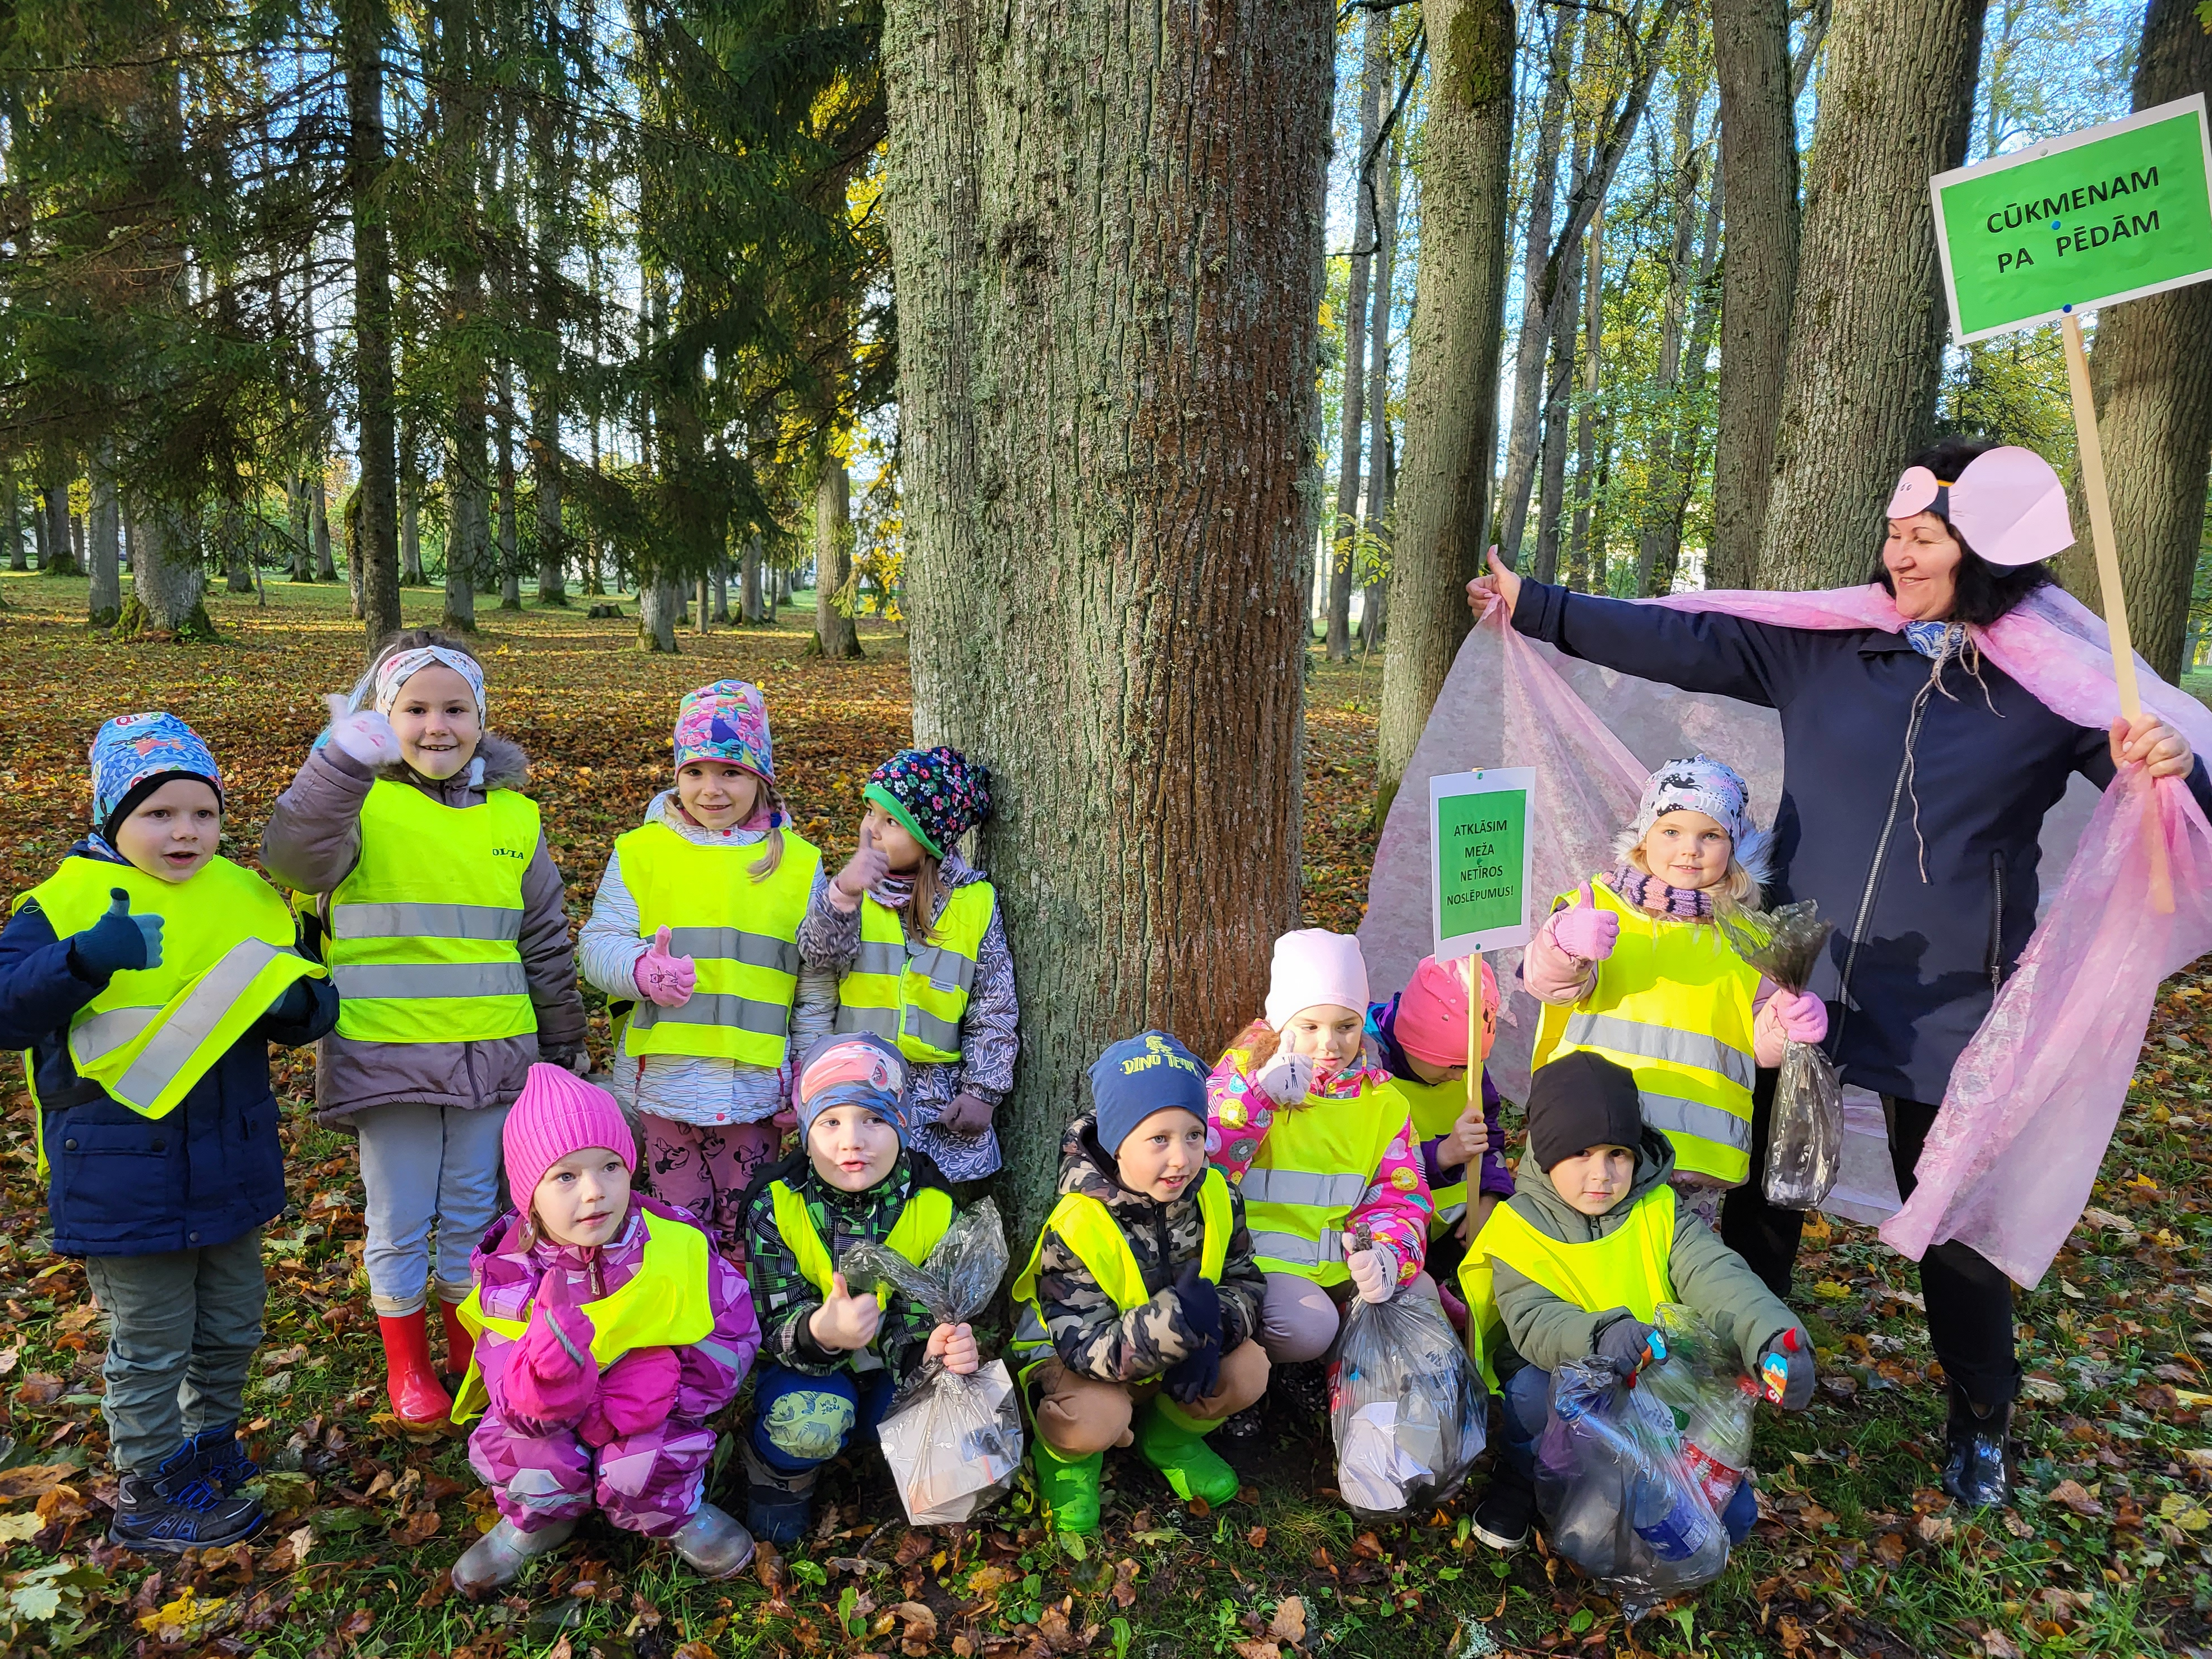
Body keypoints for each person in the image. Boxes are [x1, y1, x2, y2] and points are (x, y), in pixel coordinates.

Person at [1470, 436, 2211, 1507]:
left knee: (1945, 1206)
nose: (1896, 555)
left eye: (1923, 540)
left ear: (1988, 555)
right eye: (1894, 534)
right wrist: (1537, 602)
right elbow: (1689, 636)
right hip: (1789, 975)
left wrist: (2168, 764)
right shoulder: (1832, 651)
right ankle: (1745, 1372)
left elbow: (2172, 794)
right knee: (1768, 1194)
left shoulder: (2057, 690)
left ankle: (1981, 1414)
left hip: (1946, 998)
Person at [0, 714, 337, 1550]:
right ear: (113, 816)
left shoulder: (249, 895)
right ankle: (148, 1488)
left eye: (203, 813)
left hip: (231, 1158)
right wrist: (81, 960)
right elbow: (7, 1010)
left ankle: (208, 1450)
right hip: (119, 1170)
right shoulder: (61, 906)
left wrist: (300, 1008)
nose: (185, 832)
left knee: (231, 1324)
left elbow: (310, 988)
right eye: (158, 814)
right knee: (151, 1344)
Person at [262, 630, 589, 1426]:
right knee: (401, 1214)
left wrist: (562, 1044)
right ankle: (407, 1368)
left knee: (477, 1212)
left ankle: (465, 1347)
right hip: (388, 1055)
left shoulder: (514, 818)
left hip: (493, 1055)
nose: (435, 726)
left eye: (455, 708)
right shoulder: (359, 804)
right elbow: (294, 860)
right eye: (414, 708)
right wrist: (340, 761)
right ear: (383, 714)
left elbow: (543, 938)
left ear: (482, 720)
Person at [1458, 1052, 1814, 1554]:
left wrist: (1771, 1337)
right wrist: (1602, 1335)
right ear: (1546, 1152)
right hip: (1559, 1370)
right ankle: (1520, 1477)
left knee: (1732, 1522)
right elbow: (1534, 1321)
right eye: (1581, 1154)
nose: (1601, 1174)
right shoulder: (1519, 1228)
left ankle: (1639, 1493)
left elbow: (1721, 1279)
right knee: (1533, 1395)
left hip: (1652, 1376)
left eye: (1617, 1155)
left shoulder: (1661, 1213)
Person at [448, 1064, 761, 1594]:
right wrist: (542, 1390)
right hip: (549, 1426)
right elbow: (500, 1373)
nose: (594, 1191)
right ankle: (540, 1520)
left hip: (652, 1414)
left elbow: (733, 1329)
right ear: (529, 1192)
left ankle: (675, 1512)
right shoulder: (511, 1271)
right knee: (519, 1448)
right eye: (565, 1177)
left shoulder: (676, 1246)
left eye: (610, 1167)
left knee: (647, 1460)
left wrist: (670, 1390)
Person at [579, 680, 835, 1253]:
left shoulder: (798, 864)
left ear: (760, 778)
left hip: (757, 1092)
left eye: (731, 772)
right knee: (677, 1231)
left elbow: (814, 984)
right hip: (663, 1083)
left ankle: (749, 1334)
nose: (711, 789)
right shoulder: (642, 851)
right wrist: (641, 969)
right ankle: (693, 1334)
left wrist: (808, 1076)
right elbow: (598, 943)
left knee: (751, 1230)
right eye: (694, 771)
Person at [1520, 756, 1826, 1229]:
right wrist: (1567, 947)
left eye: (1711, 835)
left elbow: (1755, 1041)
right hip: (1592, 1141)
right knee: (1577, 1261)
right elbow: (1548, 985)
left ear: (1736, 846)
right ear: (1645, 835)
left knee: (1670, 1270)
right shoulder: (1596, 908)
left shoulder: (1751, 939)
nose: (1690, 850)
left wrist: (1788, 1026)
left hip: (1693, 1152)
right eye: (1672, 832)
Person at [1011, 1032, 1271, 1533]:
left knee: (1249, 1369)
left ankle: (1168, 1439)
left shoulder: (1216, 1194)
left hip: (1163, 1359)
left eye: (1193, 1135)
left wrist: (1214, 1333)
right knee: (1095, 1418)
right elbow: (1085, 1346)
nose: (1181, 1159)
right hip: (1080, 1368)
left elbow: (1245, 1279)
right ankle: (1066, 1463)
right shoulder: (1078, 1224)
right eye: (1159, 1139)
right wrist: (1180, 1328)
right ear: (1116, 1140)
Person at [737, 1033, 976, 1544]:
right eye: (830, 1122)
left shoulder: (933, 1204)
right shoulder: (775, 1205)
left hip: (890, 1369)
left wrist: (928, 1350)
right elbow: (768, 1324)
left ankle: (898, 1466)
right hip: (805, 1375)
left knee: (949, 1393)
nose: (852, 1141)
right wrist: (822, 1331)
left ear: (903, 1126)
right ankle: (781, 1475)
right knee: (811, 1420)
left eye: (874, 1119)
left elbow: (923, 1309)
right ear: (805, 1132)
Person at [1207, 930, 1433, 1402]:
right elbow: (1207, 1162)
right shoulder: (1245, 1075)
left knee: (1422, 1295)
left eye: (1346, 1026)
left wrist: (1391, 1254)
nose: (1329, 1044)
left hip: (1344, 1265)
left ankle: (1362, 1401)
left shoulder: (1384, 1102)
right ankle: (1256, 1380)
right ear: (1280, 1022)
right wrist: (1258, 1100)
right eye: (1309, 1026)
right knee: (1308, 1327)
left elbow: (1399, 1194)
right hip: (1257, 1266)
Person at [798, 745, 1016, 1184]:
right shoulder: (849, 889)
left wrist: (982, 1092)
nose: (871, 831)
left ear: (931, 839)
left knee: (935, 1204)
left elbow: (994, 1007)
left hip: (940, 1098)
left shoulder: (975, 904)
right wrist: (842, 893)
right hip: (857, 1090)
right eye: (870, 813)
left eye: (892, 821)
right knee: (861, 1194)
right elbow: (817, 955)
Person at [1366, 955, 1514, 1291]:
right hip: (1392, 1227)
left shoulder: (1468, 1069)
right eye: (1450, 1066)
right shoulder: (1371, 1076)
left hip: (1457, 1220)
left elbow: (1489, 1137)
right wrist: (1442, 1156)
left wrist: (1490, 1196)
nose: (1459, 1077)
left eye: (1471, 1066)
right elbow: (1369, 1169)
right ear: (1412, 1043)